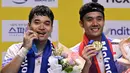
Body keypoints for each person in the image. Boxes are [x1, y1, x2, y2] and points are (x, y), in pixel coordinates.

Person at [1, 5, 67, 73]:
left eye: (46, 23)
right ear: (29, 26)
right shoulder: (15, 49)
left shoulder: (59, 53)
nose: (41, 27)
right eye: (37, 22)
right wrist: (24, 49)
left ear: (51, 28)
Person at [70, 2, 127, 73]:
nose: (95, 23)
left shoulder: (120, 47)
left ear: (103, 21)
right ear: (81, 23)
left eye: (99, 19)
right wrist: (85, 65)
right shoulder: (73, 54)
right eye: (89, 20)